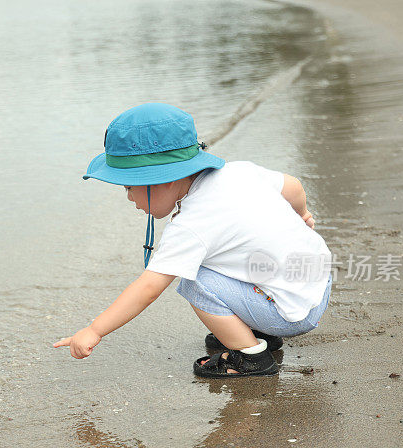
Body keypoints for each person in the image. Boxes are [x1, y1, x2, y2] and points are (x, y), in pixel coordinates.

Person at [53, 103, 332, 377]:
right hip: (318, 281)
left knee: (195, 280)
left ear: (162, 179)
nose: (128, 198)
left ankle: (251, 356)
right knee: (230, 255)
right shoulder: (238, 171)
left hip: (292, 313)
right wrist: (303, 215)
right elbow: (293, 185)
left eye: (129, 187)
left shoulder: (191, 224)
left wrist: (95, 330)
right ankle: (257, 328)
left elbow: (148, 288)